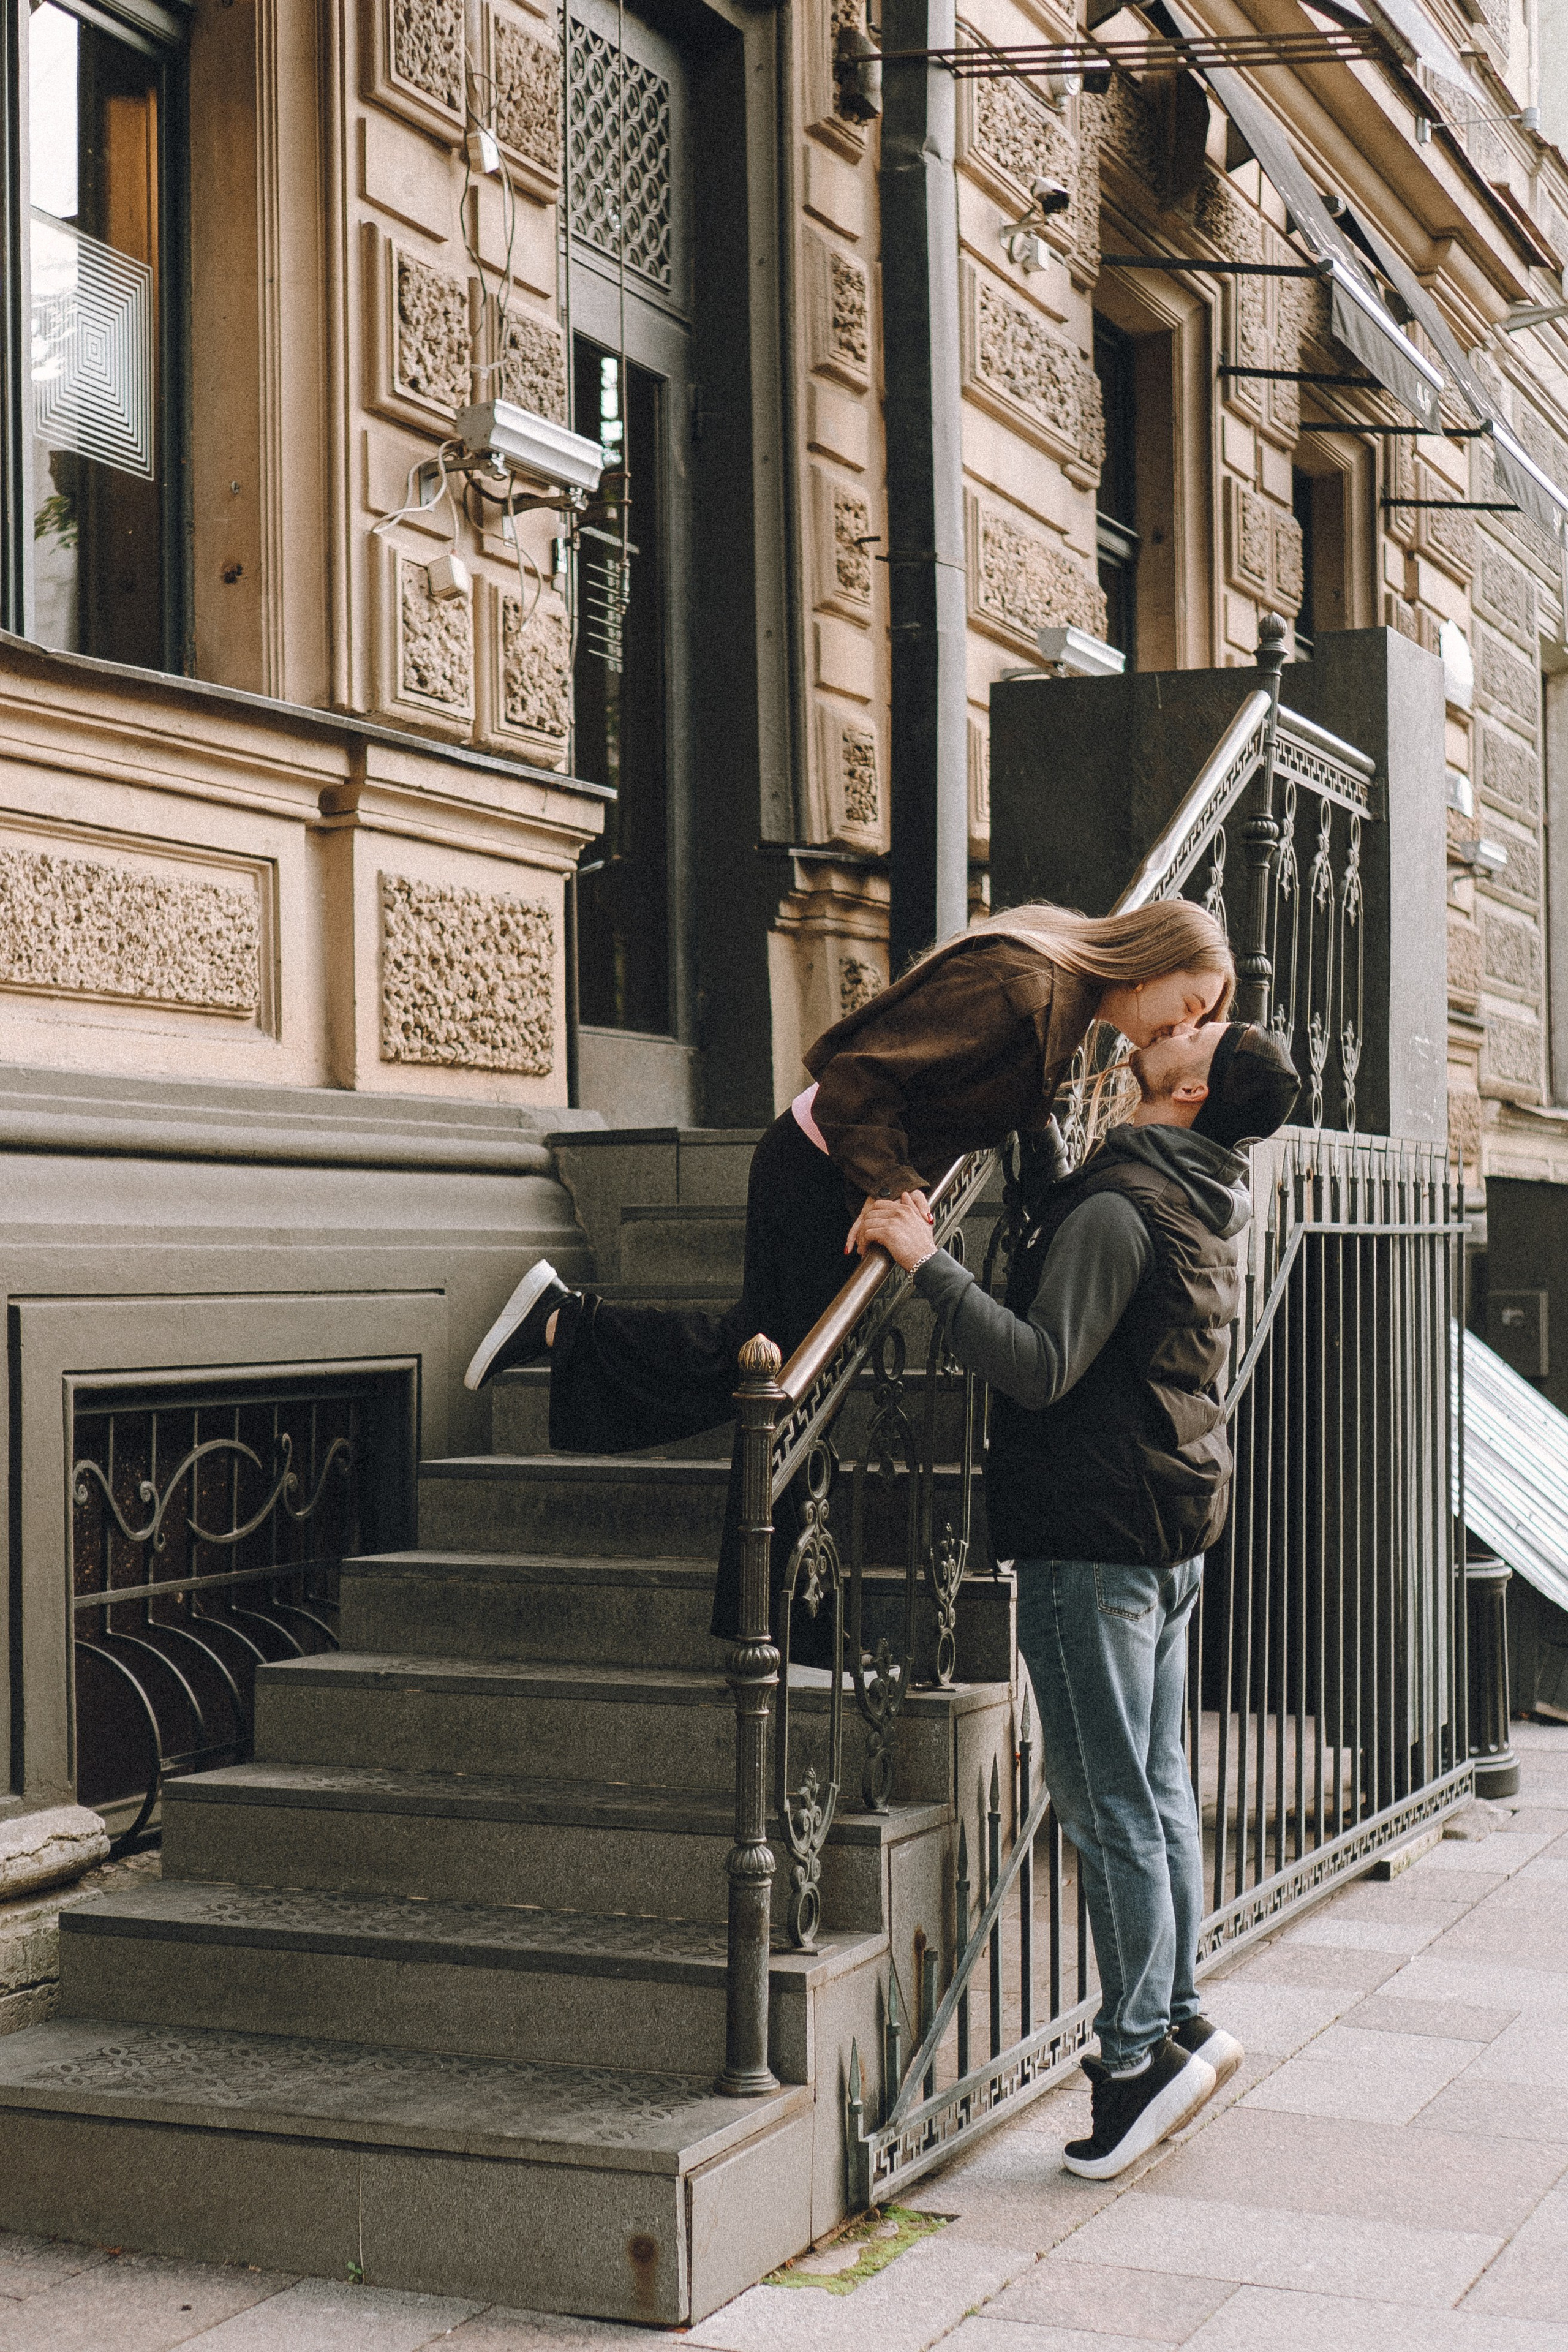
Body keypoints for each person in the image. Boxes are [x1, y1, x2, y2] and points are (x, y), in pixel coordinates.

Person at [462, 899, 1237, 1643]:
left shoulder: (1061, 1008)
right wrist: (896, 1190)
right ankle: (565, 1324)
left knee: (797, 1388)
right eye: (1192, 1002)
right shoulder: (1023, 985)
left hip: (844, 1177)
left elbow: (1025, 1118)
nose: (1187, 1026)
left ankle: (781, 1620)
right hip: (816, 1171)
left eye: (1202, 1022)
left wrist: (1056, 1191)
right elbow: (855, 1077)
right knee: (774, 1370)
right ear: (1149, 964)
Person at [858, 1016, 1301, 2181]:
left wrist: (926, 1258)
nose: (1170, 1026)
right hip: (1159, 1528)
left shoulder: (1127, 1208)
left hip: (1095, 1542)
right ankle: (1183, 2016)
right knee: (1155, 1789)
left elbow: (1041, 1363)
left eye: (1192, 1030)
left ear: (1193, 1087)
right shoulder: (1202, 1189)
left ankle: (1135, 2061)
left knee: (1111, 1808)